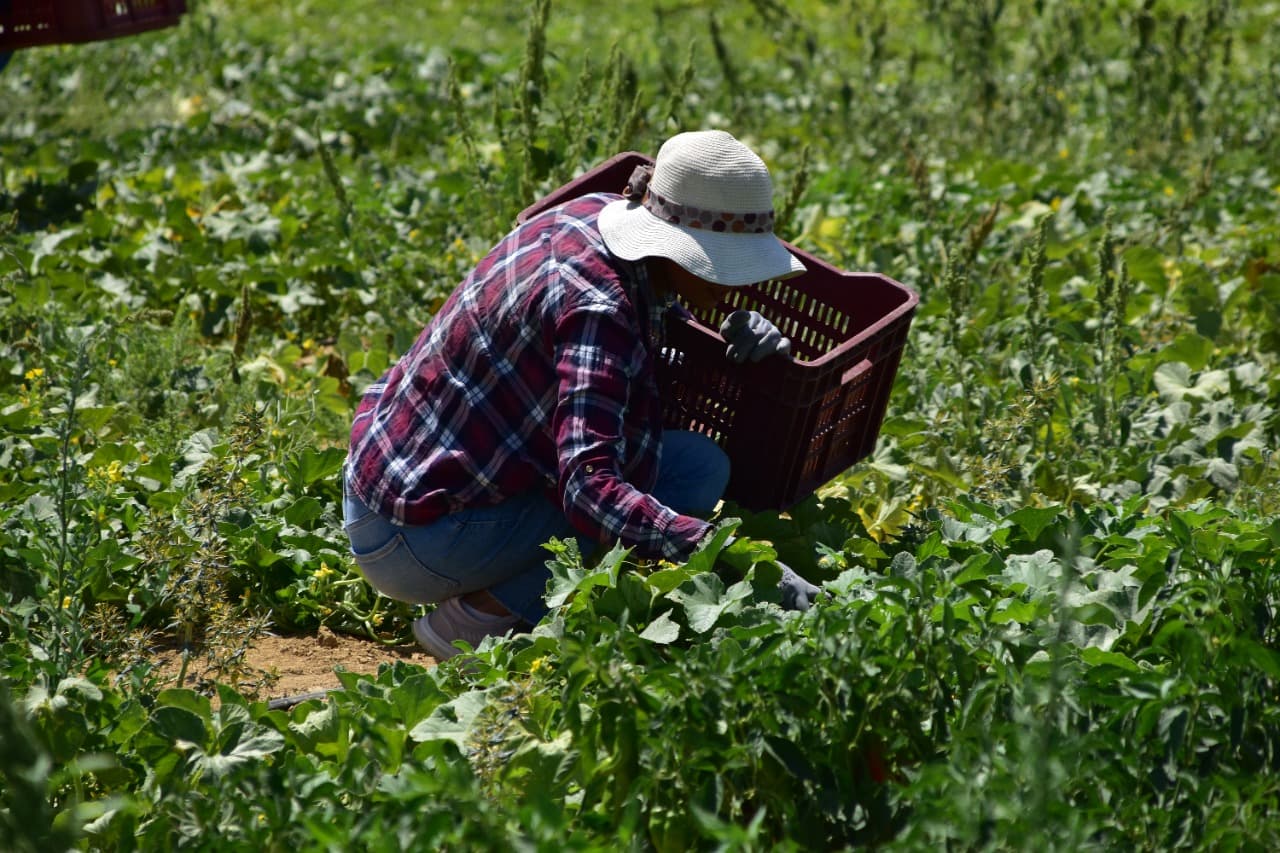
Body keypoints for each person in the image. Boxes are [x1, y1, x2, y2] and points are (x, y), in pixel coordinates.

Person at [343, 130, 821, 660]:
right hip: (413, 535)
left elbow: (631, 361)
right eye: (722, 264)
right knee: (625, 504)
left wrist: (735, 344)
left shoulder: (597, 217)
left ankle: (501, 593)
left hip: (398, 474)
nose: (739, 283)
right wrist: (728, 552)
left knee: (696, 467)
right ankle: (473, 622)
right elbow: (591, 491)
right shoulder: (597, 307)